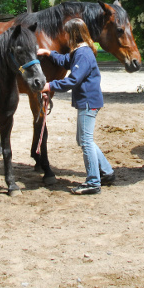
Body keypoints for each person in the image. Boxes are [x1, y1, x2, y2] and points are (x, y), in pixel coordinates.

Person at [37, 18, 114, 195]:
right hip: (87, 101)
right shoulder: (79, 52)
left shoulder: (84, 54)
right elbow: (66, 60)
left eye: (66, 33)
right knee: (84, 140)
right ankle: (107, 172)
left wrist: (49, 85)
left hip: (88, 102)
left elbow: (73, 79)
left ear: (73, 34)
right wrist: (49, 53)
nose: (64, 36)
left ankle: (93, 182)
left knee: (85, 141)